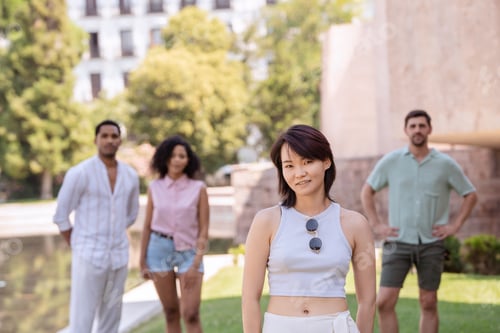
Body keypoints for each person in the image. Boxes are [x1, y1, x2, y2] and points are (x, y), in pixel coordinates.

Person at [242, 124, 376, 333]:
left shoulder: (355, 224)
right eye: (289, 165)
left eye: (307, 162)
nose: (299, 173)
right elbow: (250, 297)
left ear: (326, 161)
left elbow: (368, 301)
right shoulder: (266, 221)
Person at [360, 110, 478, 333]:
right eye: (412, 126)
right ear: (406, 131)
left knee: (428, 301)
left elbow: (470, 194)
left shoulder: (446, 164)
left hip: (431, 242)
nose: (417, 130)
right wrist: (376, 224)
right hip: (398, 241)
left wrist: (455, 225)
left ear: (429, 129)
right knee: (384, 301)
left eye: (422, 126)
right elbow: (367, 191)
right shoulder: (391, 161)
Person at [53, 119, 140, 333]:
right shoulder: (80, 173)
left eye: (114, 136)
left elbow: (130, 215)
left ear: (120, 141)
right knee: (82, 320)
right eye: (105, 136)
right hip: (88, 256)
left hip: (118, 256)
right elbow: (61, 216)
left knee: (112, 319)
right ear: (96, 140)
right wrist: (79, 245)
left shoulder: (130, 176)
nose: (110, 140)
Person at [139, 135, 209, 333]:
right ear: (165, 158)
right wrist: (142, 260)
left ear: (188, 160)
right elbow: (147, 226)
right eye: (173, 155)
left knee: (191, 313)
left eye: (182, 156)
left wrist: (196, 264)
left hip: (189, 253)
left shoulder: (198, 188)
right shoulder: (155, 187)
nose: (178, 159)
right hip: (158, 251)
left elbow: (204, 228)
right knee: (170, 312)